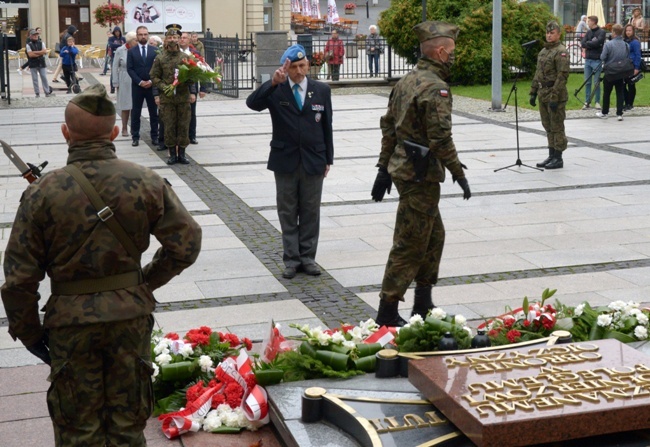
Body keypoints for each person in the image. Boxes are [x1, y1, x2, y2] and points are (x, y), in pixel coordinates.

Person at [0, 83, 202, 447]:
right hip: (129, 319)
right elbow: (186, 243)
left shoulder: (42, 193)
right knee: (128, 426)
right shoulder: (146, 181)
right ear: (114, 132)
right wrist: (144, 283)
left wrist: (31, 334)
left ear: (65, 133)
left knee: (78, 431)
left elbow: (18, 280)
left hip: (69, 325)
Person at [370, 21, 470, 327]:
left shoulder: (407, 81)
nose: (454, 56)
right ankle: (387, 311)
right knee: (411, 241)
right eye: (451, 51)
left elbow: (388, 126)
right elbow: (440, 138)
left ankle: (423, 304)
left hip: (406, 169)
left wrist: (384, 169)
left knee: (434, 236)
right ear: (440, 52)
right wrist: (458, 172)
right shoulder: (434, 87)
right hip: (419, 174)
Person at [246, 44, 334, 279]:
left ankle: (308, 258)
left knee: (310, 211)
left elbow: (327, 127)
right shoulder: (278, 89)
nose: (298, 71)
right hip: (285, 160)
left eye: (302, 65)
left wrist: (329, 159)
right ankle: (292, 260)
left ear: (308, 65)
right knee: (287, 211)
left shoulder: (321, 90)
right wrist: (273, 83)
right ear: (286, 67)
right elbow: (252, 103)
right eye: (294, 67)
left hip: (314, 159)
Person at [151, 25, 197, 165]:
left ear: (179, 39)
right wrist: (164, 87)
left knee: (183, 125)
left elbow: (192, 76)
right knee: (169, 126)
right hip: (167, 99)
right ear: (166, 40)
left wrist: (189, 81)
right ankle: (172, 154)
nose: (173, 40)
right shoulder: (160, 58)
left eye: (175, 37)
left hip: (183, 97)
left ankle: (182, 154)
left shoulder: (185, 57)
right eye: (170, 37)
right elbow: (154, 76)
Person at [530, 21, 570, 170]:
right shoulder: (543, 51)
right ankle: (551, 154)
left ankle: (558, 157)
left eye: (552, 33)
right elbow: (537, 73)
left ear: (558, 34)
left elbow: (562, 76)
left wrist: (554, 96)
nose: (549, 35)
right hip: (543, 93)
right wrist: (533, 92)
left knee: (557, 126)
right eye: (547, 33)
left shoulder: (561, 51)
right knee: (547, 126)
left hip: (556, 94)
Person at [127, 25, 159, 147]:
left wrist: (151, 81)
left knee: (153, 112)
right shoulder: (131, 51)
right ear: (137, 35)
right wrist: (140, 81)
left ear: (148, 35)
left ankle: (155, 136)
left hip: (151, 86)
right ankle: (135, 136)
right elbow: (130, 69)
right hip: (137, 86)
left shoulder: (154, 50)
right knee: (136, 112)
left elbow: (157, 68)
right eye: (140, 34)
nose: (143, 36)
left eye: (145, 34)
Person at [180, 31, 207, 145]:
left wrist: (203, 88)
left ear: (190, 40)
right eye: (181, 37)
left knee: (192, 112)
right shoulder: (174, 52)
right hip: (179, 86)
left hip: (192, 87)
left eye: (185, 38)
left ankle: (192, 135)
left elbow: (203, 70)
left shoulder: (194, 53)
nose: (182, 39)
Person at [598, 24, 629, 121]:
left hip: (610, 71)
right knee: (620, 92)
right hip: (621, 71)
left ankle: (605, 112)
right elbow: (626, 57)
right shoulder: (626, 45)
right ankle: (619, 113)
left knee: (607, 92)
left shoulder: (608, 44)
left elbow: (602, 57)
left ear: (614, 32)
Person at [113, 31, 138, 136]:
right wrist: (115, 82)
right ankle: (124, 128)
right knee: (125, 104)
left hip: (136, 78)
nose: (137, 42)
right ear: (130, 41)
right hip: (124, 78)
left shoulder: (138, 50)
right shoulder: (120, 50)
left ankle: (134, 128)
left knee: (135, 105)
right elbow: (115, 67)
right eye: (135, 40)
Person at [580, 16, 606, 110]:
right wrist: (590, 43)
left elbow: (599, 43)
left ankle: (597, 102)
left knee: (596, 82)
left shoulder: (601, 32)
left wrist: (588, 44)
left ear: (594, 22)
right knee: (587, 82)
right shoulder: (589, 32)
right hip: (588, 60)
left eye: (589, 21)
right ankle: (587, 101)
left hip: (597, 60)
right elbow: (583, 43)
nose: (588, 23)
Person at [26, 29, 54, 98]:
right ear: (31, 36)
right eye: (34, 35)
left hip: (41, 63)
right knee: (35, 79)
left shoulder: (41, 43)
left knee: (44, 77)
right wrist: (40, 53)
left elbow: (44, 51)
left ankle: (47, 92)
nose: (36, 36)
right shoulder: (28, 45)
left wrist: (35, 52)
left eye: (36, 35)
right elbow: (30, 55)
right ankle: (37, 93)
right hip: (33, 63)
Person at [623, 24, 642, 111]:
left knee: (631, 85)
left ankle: (630, 103)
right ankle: (626, 102)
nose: (628, 32)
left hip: (632, 65)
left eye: (630, 30)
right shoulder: (624, 41)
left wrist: (636, 68)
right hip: (624, 66)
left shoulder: (635, 42)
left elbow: (638, 55)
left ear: (633, 31)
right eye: (627, 30)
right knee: (623, 85)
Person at [104, 27, 126, 94]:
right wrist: (120, 45)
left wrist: (118, 46)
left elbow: (125, 45)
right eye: (116, 31)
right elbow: (111, 45)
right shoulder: (111, 38)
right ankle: (112, 87)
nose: (117, 33)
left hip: (122, 55)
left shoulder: (123, 38)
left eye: (118, 31)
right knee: (114, 71)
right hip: (114, 56)